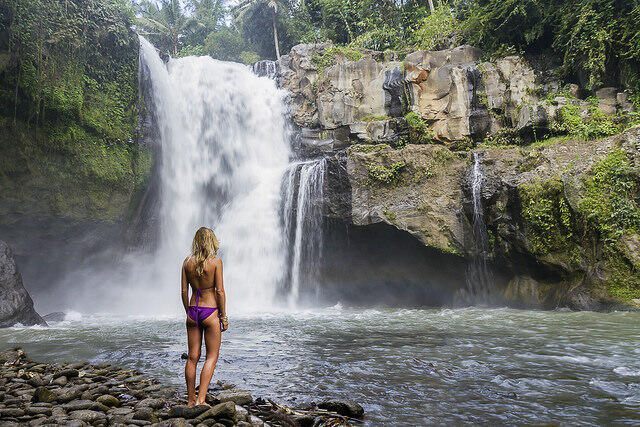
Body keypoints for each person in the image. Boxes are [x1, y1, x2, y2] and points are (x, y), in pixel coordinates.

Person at [181, 227, 228, 406]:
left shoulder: (187, 262)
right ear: (212, 241)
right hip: (210, 311)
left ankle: (190, 400)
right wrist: (223, 316)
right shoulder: (216, 262)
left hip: (193, 310)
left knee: (192, 357)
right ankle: (201, 399)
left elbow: (184, 291)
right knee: (211, 356)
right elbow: (220, 292)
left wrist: (188, 311)